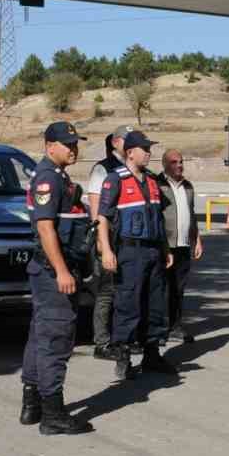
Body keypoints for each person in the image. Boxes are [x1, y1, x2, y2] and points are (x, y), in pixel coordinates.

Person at [20, 121, 95, 435]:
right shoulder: (48, 178)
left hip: (51, 270)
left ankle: (32, 404)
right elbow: (46, 228)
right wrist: (63, 270)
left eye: (76, 143)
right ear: (50, 145)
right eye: (67, 144)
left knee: (40, 335)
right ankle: (53, 414)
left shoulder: (58, 177)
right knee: (55, 339)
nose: (73, 149)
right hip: (54, 272)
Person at [96, 130, 175, 380]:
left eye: (149, 148)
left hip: (153, 250)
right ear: (130, 152)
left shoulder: (152, 181)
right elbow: (102, 218)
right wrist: (106, 249)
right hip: (129, 250)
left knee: (155, 303)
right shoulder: (114, 179)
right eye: (145, 149)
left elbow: (158, 219)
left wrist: (165, 249)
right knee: (127, 304)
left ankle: (152, 354)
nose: (149, 153)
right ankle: (123, 358)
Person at [84, 127, 131, 360]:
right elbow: (95, 207)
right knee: (106, 291)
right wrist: (102, 243)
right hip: (108, 237)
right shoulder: (102, 168)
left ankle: (121, 338)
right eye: (126, 139)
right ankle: (102, 342)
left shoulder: (131, 168)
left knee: (124, 290)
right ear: (114, 143)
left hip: (127, 239)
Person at [159, 148, 203, 343]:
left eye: (181, 161)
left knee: (178, 289)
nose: (179, 165)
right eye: (174, 162)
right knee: (160, 289)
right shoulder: (157, 185)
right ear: (165, 165)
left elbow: (191, 215)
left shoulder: (188, 186)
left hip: (183, 245)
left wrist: (197, 239)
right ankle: (158, 330)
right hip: (164, 246)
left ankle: (175, 327)